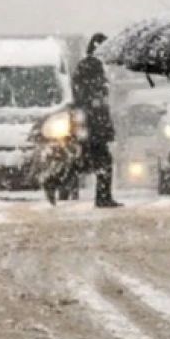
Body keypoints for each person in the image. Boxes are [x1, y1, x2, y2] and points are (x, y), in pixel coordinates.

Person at [73, 33, 121, 208]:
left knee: (94, 160)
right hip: (93, 124)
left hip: (92, 123)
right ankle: (103, 197)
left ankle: (103, 196)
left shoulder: (89, 65)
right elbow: (90, 95)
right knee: (102, 161)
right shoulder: (92, 66)